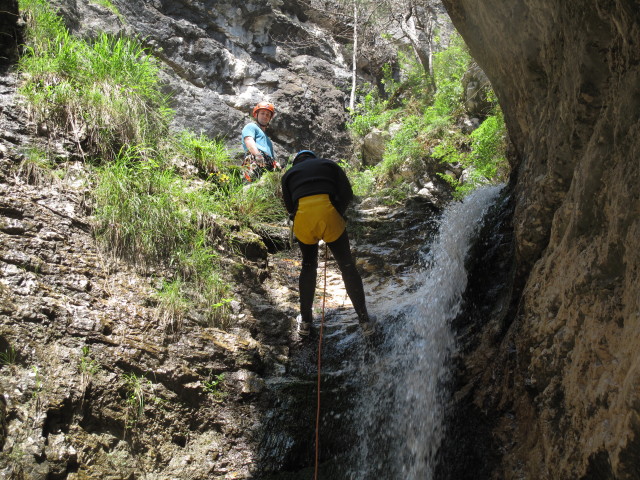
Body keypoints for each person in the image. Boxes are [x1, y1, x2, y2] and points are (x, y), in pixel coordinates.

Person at [281, 150, 378, 341]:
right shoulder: (329, 165)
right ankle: (365, 321)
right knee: (347, 265)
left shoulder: (289, 174)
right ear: (314, 159)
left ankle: (306, 322)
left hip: (303, 217)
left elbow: (289, 206)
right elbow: (347, 193)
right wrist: (337, 213)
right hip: (329, 212)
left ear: (297, 162)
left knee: (309, 265)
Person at [241, 101, 281, 182]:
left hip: (268, 162)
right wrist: (257, 155)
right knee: (253, 185)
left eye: (268, 115)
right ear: (256, 115)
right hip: (256, 159)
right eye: (262, 113)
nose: (265, 116)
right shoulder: (251, 126)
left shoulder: (268, 140)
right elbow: (249, 140)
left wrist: (275, 163)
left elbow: (270, 154)